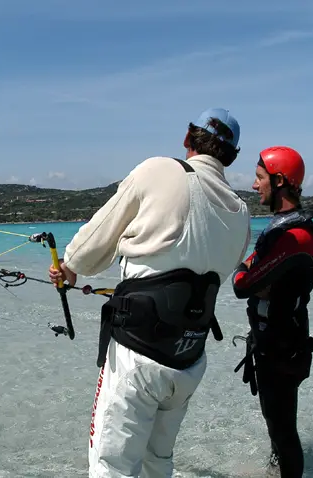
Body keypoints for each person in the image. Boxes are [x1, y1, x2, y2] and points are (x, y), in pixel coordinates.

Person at [47, 108, 252, 477]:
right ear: (232, 158)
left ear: (188, 138)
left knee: (112, 466)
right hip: (189, 359)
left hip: (137, 354)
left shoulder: (159, 170)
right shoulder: (241, 211)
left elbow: (93, 242)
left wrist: (71, 268)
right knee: (159, 462)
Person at [231, 146, 313, 478]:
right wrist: (257, 277)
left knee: (284, 433)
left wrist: (248, 272)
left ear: (280, 180)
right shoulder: (284, 227)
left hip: (282, 349)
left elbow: (242, 284)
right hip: (276, 343)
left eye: (259, 178)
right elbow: (256, 280)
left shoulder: (294, 235)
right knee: (278, 428)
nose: (254, 185)